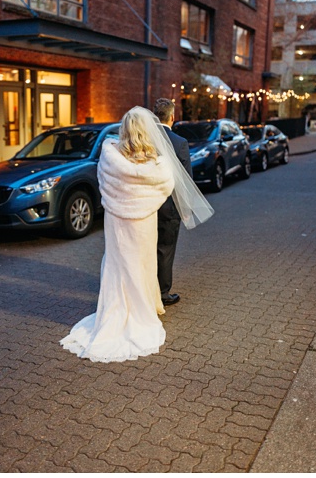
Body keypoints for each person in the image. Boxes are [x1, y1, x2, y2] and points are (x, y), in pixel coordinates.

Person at [60, 107, 213, 363]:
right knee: (142, 266)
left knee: (117, 265)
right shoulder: (156, 165)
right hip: (143, 223)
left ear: (124, 129)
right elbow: (167, 186)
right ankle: (145, 308)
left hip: (116, 223)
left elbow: (102, 184)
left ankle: (114, 311)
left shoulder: (110, 158)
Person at [151, 98, 191, 307]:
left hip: (145, 206)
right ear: (172, 117)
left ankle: (145, 289)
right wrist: (185, 208)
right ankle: (162, 293)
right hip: (169, 206)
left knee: (147, 248)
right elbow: (186, 180)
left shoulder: (143, 139)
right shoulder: (180, 142)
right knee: (165, 249)